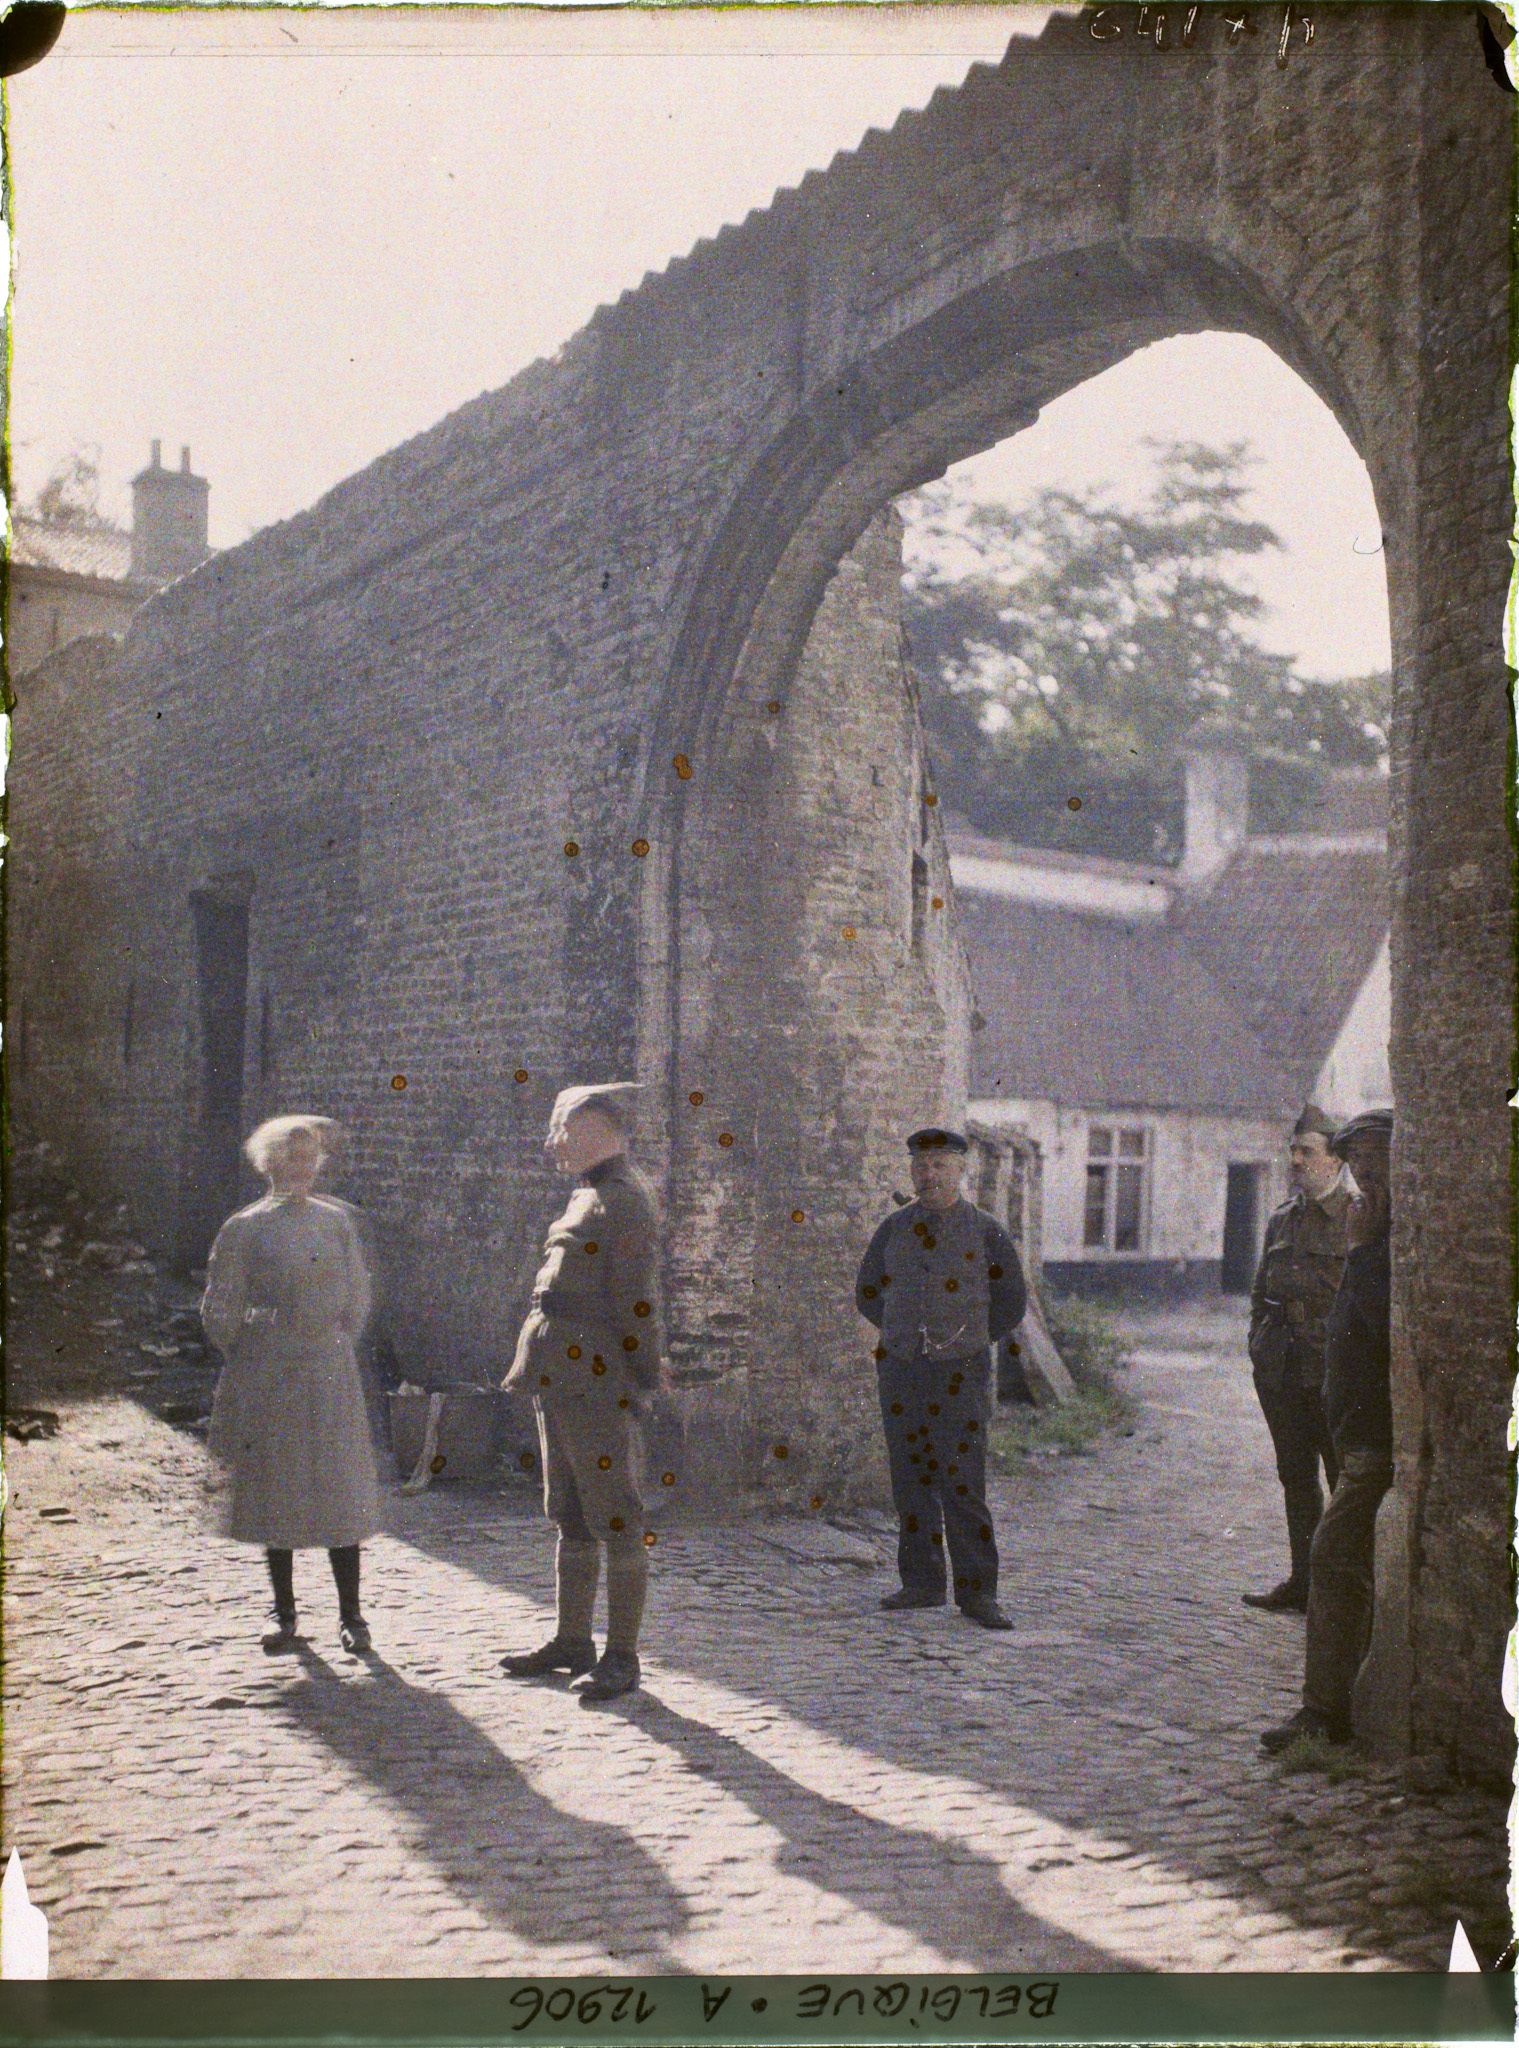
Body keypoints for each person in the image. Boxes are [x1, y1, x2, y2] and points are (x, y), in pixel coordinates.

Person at [499, 1083, 662, 1703]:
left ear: (601, 1129)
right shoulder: (588, 1193)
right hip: (559, 1374)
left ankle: (621, 1656)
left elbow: (636, 1301)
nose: (552, 1142)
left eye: (563, 1128)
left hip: (596, 1379)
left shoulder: (626, 1200)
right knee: (568, 1512)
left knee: (615, 1515)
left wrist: (644, 1376)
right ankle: (572, 1641)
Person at [201, 1114, 383, 1655]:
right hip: (270, 1368)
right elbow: (220, 1310)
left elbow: (358, 1294)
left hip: (327, 1366)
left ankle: (352, 1615)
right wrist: (254, 1354)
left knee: (338, 1483)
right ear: (269, 1164)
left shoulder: (335, 1222)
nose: (301, 1168)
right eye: (290, 1158)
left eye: (309, 1158)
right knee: (276, 1484)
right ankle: (283, 1612)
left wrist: (334, 1340)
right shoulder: (244, 1228)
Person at [855, 1128, 1027, 1630]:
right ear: (912, 1171)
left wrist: (966, 1340)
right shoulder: (893, 1229)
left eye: (940, 1166)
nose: (928, 1175)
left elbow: (1011, 1302)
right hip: (902, 1368)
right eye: (921, 1165)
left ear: (960, 1171)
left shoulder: (987, 1231)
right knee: (910, 1477)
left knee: (962, 1482)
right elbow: (868, 1293)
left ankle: (978, 1594)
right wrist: (903, 1334)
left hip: (960, 1373)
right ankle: (922, 1583)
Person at [1261, 1109, 1394, 1752]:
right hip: (1329, 1404)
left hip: (1370, 1434)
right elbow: (1266, 1293)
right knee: (1330, 1538)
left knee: (1339, 1556)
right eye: (1358, 1160)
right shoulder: (1295, 1220)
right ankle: (1344, 1704)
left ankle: (1328, 1712)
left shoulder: (1380, 1235)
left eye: (1374, 1160)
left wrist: (1362, 1249)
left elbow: (1377, 1323)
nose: (1364, 1173)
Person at [1243, 1105, 1353, 1614]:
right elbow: (1259, 1293)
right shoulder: (1281, 1219)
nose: (1295, 1160)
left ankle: (1342, 1595)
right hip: (1282, 1371)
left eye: (1307, 1151)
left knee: (1342, 1482)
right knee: (1295, 1477)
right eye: (1293, 1151)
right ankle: (1303, 1583)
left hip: (1331, 1373)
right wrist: (1258, 1345)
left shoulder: (1356, 1218)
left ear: (1335, 1160)